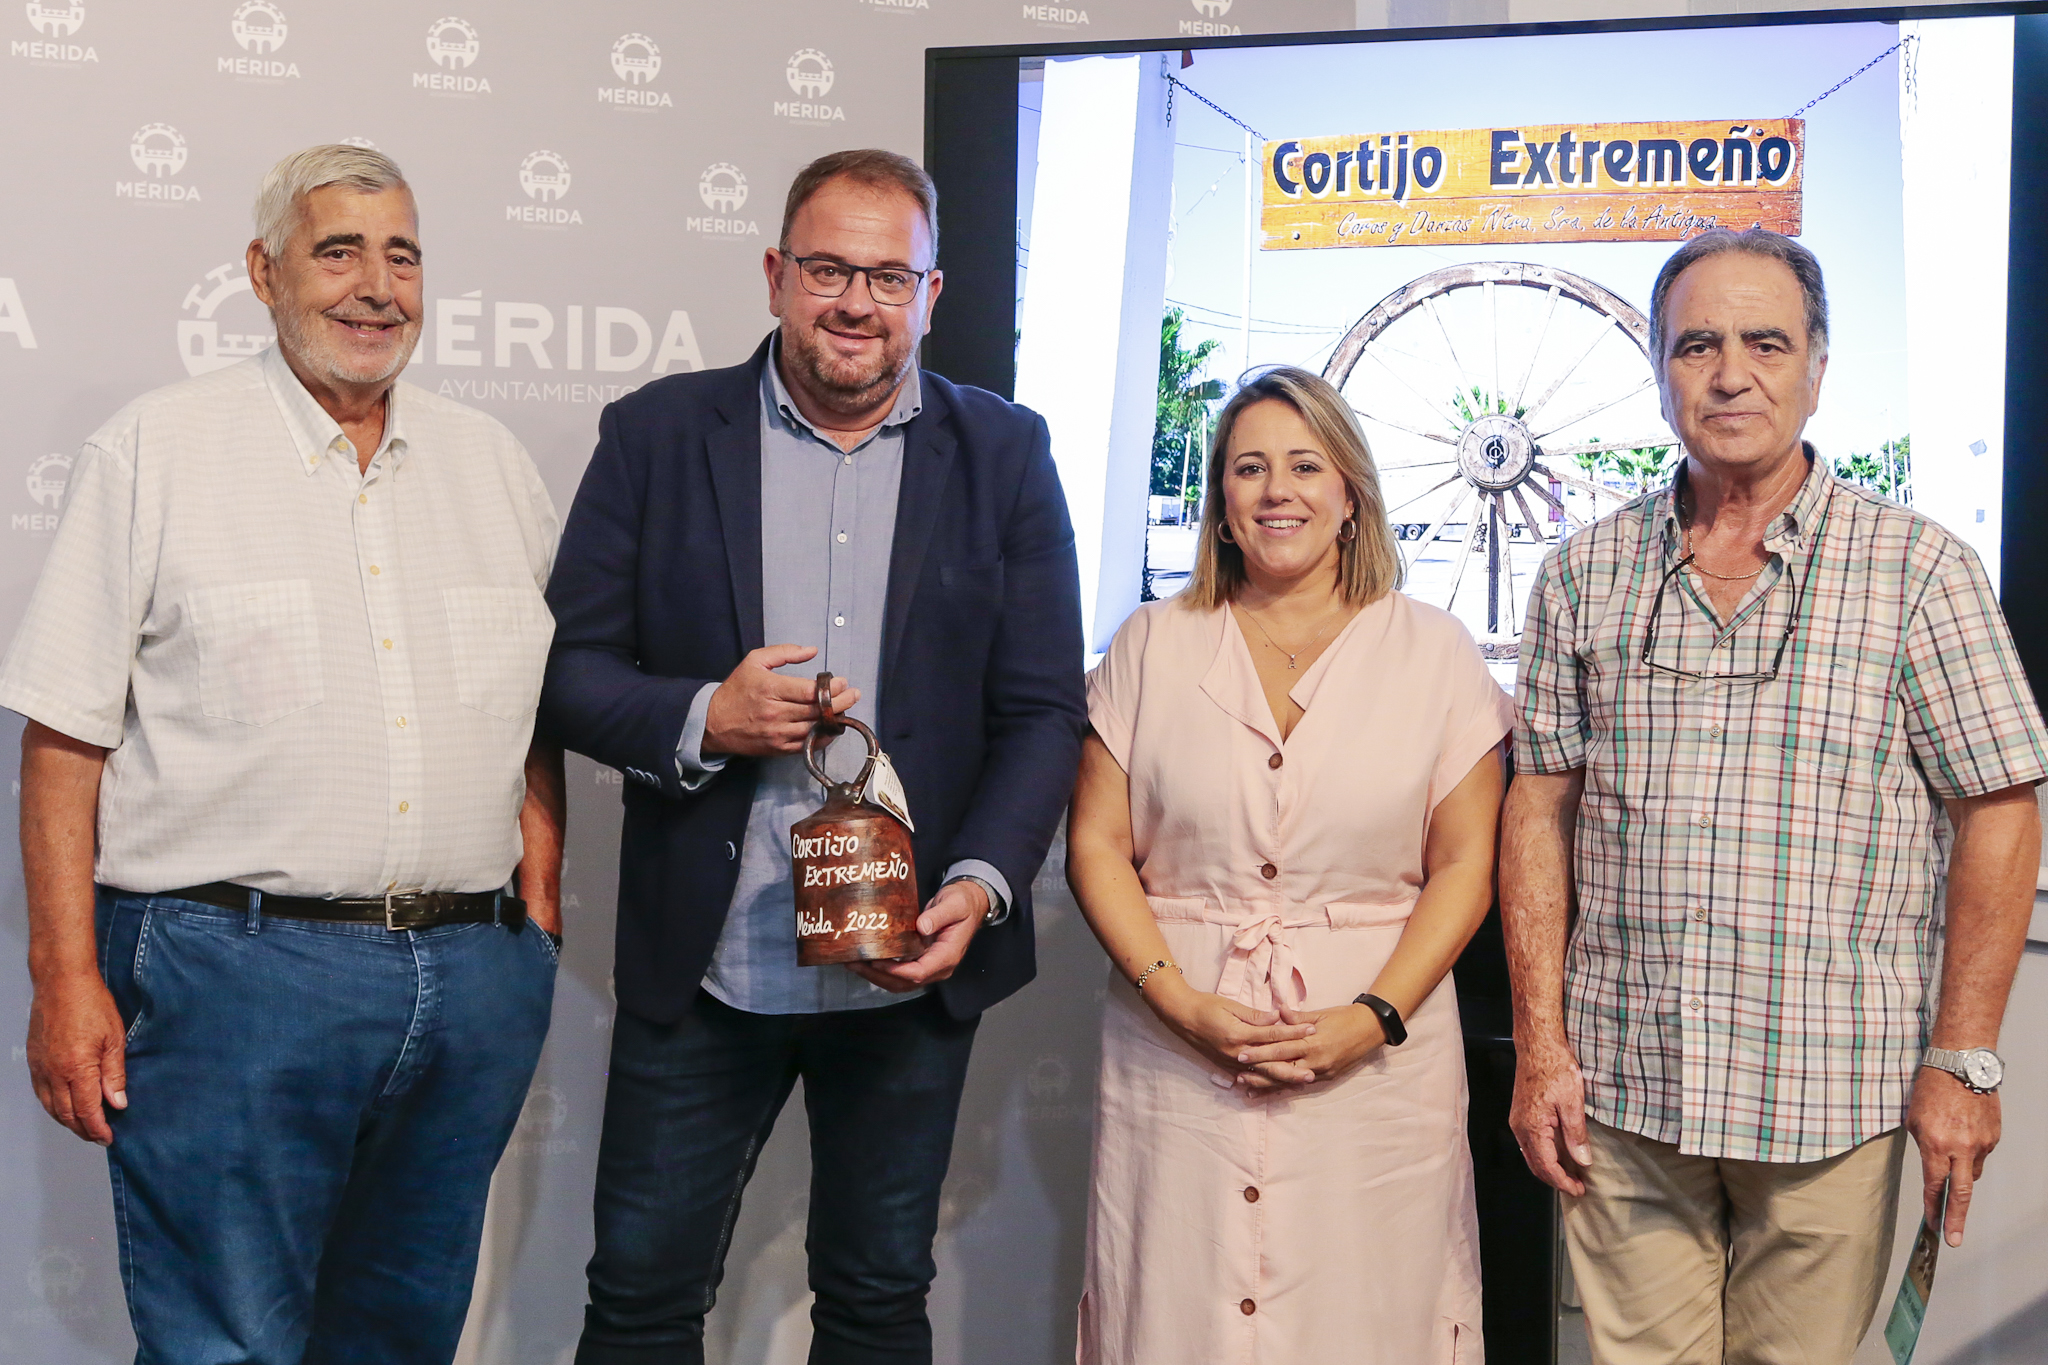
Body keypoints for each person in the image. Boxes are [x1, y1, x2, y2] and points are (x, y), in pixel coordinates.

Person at [5, 144, 565, 1364]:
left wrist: (538, 898)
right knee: (225, 1347)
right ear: (264, 274)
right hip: (232, 975)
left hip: (471, 976)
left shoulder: (494, 467)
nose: (376, 286)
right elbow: (62, 739)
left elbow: (530, 714)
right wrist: (63, 977)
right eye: (338, 252)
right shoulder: (155, 452)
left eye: (402, 256)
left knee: (402, 1338)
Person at [540, 148, 1085, 1364]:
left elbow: (1043, 711)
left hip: (907, 961)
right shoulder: (656, 435)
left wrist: (978, 887)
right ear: (776, 275)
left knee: (877, 1301)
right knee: (638, 1302)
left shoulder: (1004, 453)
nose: (855, 302)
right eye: (828, 269)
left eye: (887, 277)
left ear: (929, 295)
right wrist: (704, 718)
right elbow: (570, 670)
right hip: (709, 964)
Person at [1504, 227, 2047, 1365]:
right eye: (1696, 345)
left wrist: (1963, 1058)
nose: (1729, 374)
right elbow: (1537, 814)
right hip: (1625, 1091)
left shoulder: (1920, 571)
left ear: (1817, 368)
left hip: (1828, 1099)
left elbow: (1997, 812)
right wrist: (1540, 1047)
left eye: (1765, 342)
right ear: (1659, 370)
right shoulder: (1582, 573)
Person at [1065, 366, 1513, 1363]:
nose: (1278, 491)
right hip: (1174, 1048)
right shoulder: (1150, 643)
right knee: (1172, 1310)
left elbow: (1463, 866)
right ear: (1220, 503)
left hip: (1378, 1060)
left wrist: (1373, 1016)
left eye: (1306, 466)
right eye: (1249, 468)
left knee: (1370, 1314)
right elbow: (1095, 843)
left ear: (1350, 494)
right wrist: (1178, 1001)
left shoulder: (1435, 653)